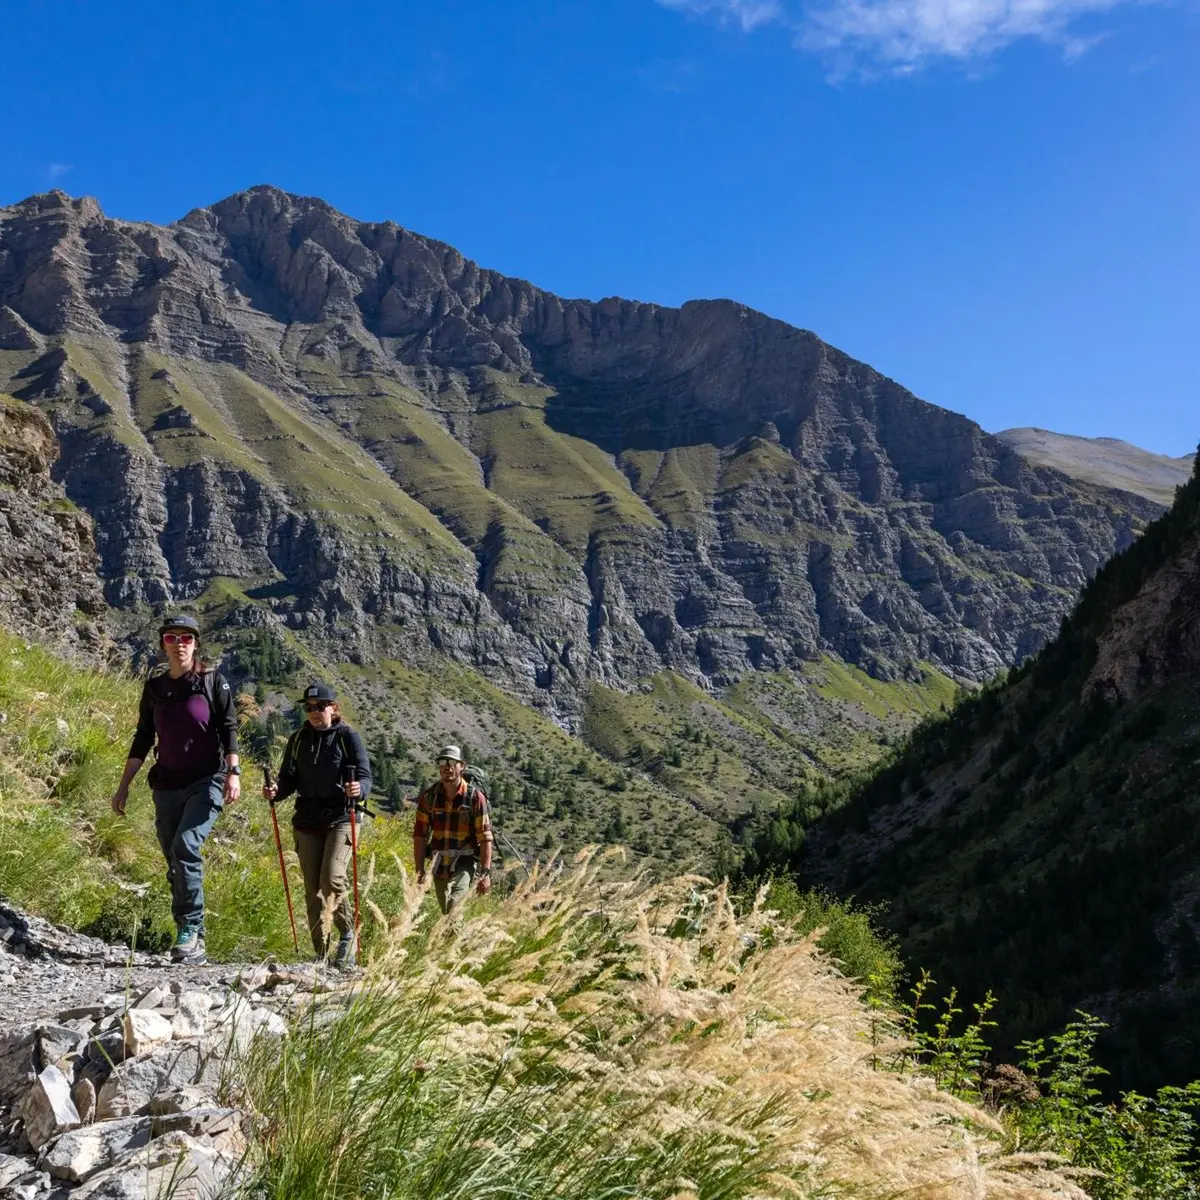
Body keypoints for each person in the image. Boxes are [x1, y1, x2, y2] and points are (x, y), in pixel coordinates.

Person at [109, 616, 240, 965]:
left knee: (186, 846)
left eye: (186, 637)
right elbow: (142, 738)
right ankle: (192, 932)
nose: (179, 642)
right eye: (171, 637)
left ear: (195, 643)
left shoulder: (212, 682)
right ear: (163, 644)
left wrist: (234, 772)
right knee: (174, 860)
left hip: (207, 780)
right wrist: (124, 786)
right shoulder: (154, 689)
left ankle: (191, 931)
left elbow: (228, 727)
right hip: (166, 784)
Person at [262, 682, 372, 967]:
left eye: (320, 706)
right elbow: (288, 779)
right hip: (307, 819)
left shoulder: (348, 737)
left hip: (342, 817)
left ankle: (348, 934)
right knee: (313, 888)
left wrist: (359, 788)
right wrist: (276, 791)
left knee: (332, 878)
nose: (313, 712)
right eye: (309, 707)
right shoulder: (299, 739)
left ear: (333, 708)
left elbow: (365, 777)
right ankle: (320, 954)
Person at [414, 745, 493, 916]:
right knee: (446, 914)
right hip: (439, 863)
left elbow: (486, 838)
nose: (447, 767)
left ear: (462, 766)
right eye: (443, 762)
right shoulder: (429, 798)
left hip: (465, 861)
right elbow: (420, 835)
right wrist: (419, 871)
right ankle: (461, 941)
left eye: (452, 762)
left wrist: (485, 873)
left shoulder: (474, 798)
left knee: (454, 907)